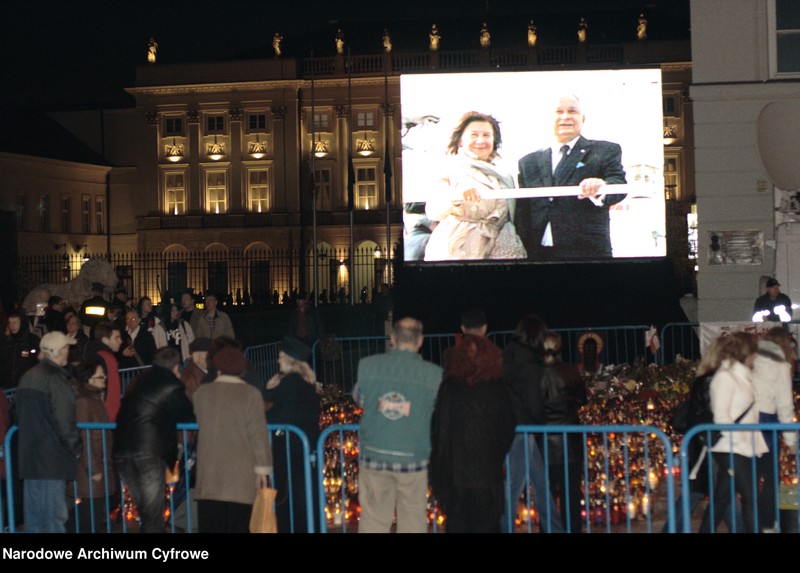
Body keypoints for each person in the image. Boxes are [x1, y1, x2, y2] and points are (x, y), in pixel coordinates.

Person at [352, 317, 442, 533]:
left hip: (374, 456)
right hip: (413, 458)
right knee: (413, 520)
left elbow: (360, 399)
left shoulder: (368, 366)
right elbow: (437, 408)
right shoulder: (434, 374)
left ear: (392, 339)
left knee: (373, 519)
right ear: (420, 341)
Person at [516, 94, 627, 260]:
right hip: (538, 255)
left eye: (572, 111)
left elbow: (619, 185)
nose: (565, 117)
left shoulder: (605, 150)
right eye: (559, 111)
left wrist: (601, 185)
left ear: (583, 118)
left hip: (587, 253)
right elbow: (523, 211)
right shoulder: (528, 162)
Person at [429, 334, 516, 533]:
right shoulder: (497, 391)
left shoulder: (449, 389)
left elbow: (438, 431)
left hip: (455, 478)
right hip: (487, 477)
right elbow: (507, 430)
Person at [423, 111, 527, 261]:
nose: (480, 140)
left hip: (497, 247)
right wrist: (456, 195)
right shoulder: (449, 166)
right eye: (474, 135)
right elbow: (433, 210)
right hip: (458, 248)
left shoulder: (505, 175)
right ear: (460, 140)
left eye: (486, 135)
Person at [112, 347, 195, 533]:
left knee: (146, 511)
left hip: (122, 451)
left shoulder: (138, 380)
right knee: (153, 514)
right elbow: (187, 414)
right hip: (148, 453)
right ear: (176, 367)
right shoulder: (172, 385)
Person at [193, 347, 273, 533]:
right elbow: (258, 435)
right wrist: (263, 470)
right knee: (239, 526)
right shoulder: (251, 394)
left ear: (217, 368)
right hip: (241, 477)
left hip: (209, 477)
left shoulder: (202, 394)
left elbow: (199, 417)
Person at [500, 314, 564, 533]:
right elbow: (534, 404)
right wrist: (543, 420)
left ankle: (554, 527)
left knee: (541, 483)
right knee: (514, 488)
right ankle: (504, 528)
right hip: (523, 429)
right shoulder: (529, 365)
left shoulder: (507, 356)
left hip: (512, 426)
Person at [698, 331, 767, 533]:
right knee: (750, 497)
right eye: (754, 352)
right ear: (746, 353)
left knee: (721, 499)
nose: (756, 356)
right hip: (732, 448)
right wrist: (740, 440)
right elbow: (721, 417)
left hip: (742, 446)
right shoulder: (725, 377)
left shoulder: (742, 376)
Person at [13, 331, 81, 533]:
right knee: (53, 519)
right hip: (52, 460)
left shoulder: (28, 377)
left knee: (35, 520)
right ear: (58, 352)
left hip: (30, 458)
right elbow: (65, 421)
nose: (69, 351)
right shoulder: (56, 380)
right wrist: (76, 449)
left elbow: (15, 413)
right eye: (66, 348)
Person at [264, 336, 322, 533]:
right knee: (305, 501)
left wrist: (267, 393)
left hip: (290, 452)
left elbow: (279, 414)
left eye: (280, 357)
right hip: (304, 450)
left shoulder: (289, 383)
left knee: (290, 504)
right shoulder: (307, 382)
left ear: (288, 359)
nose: (278, 361)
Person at [534, 330, 587, 533]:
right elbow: (582, 399)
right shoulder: (570, 371)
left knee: (545, 496)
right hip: (569, 440)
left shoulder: (535, 373)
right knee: (571, 496)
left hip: (542, 441)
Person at [752, 326, 798, 532]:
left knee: (749, 478)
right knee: (771, 477)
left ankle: (754, 521)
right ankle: (768, 525)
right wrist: (790, 441)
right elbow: (785, 405)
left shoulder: (751, 357)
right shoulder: (779, 364)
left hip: (743, 421)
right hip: (766, 421)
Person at [67, 361, 116, 533]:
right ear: (89, 380)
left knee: (93, 516)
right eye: (100, 376)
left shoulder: (95, 400)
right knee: (90, 520)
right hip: (90, 472)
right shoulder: (84, 402)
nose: (104, 379)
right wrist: (93, 469)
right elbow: (83, 437)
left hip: (99, 467)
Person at [84, 322, 124, 421]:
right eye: (116, 338)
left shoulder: (89, 354)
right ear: (105, 340)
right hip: (106, 416)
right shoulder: (108, 358)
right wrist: (111, 417)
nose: (121, 341)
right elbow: (112, 390)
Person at [0, 312, 40, 389]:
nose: (12, 325)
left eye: (15, 322)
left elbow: (37, 361)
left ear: (22, 323)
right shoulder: (5, 342)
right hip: (7, 385)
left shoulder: (32, 340)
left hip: (28, 385)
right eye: (10, 322)